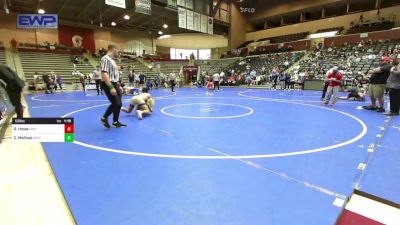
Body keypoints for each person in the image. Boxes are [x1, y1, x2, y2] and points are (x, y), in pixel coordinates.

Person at [100, 45, 126, 128]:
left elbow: (114, 75)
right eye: (117, 51)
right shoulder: (105, 59)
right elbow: (104, 73)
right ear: (114, 50)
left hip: (114, 83)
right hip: (108, 83)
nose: (118, 53)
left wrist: (118, 85)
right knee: (117, 103)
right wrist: (111, 87)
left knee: (119, 104)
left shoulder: (112, 61)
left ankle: (115, 121)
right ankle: (104, 118)